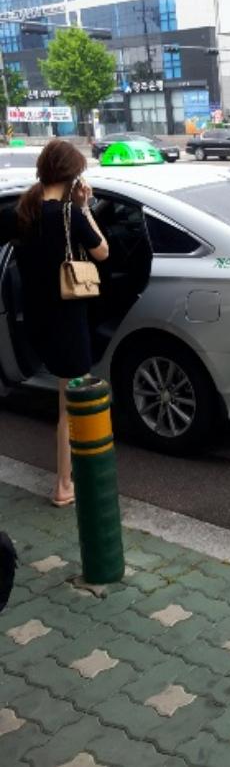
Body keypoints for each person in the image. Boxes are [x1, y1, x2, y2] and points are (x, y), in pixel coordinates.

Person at [0, 141, 109, 507]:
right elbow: (102, 251)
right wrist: (85, 208)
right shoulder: (69, 215)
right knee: (70, 407)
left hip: (35, 319)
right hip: (67, 321)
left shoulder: (22, 212)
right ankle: (64, 486)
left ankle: (67, 480)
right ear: (72, 177)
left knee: (65, 402)